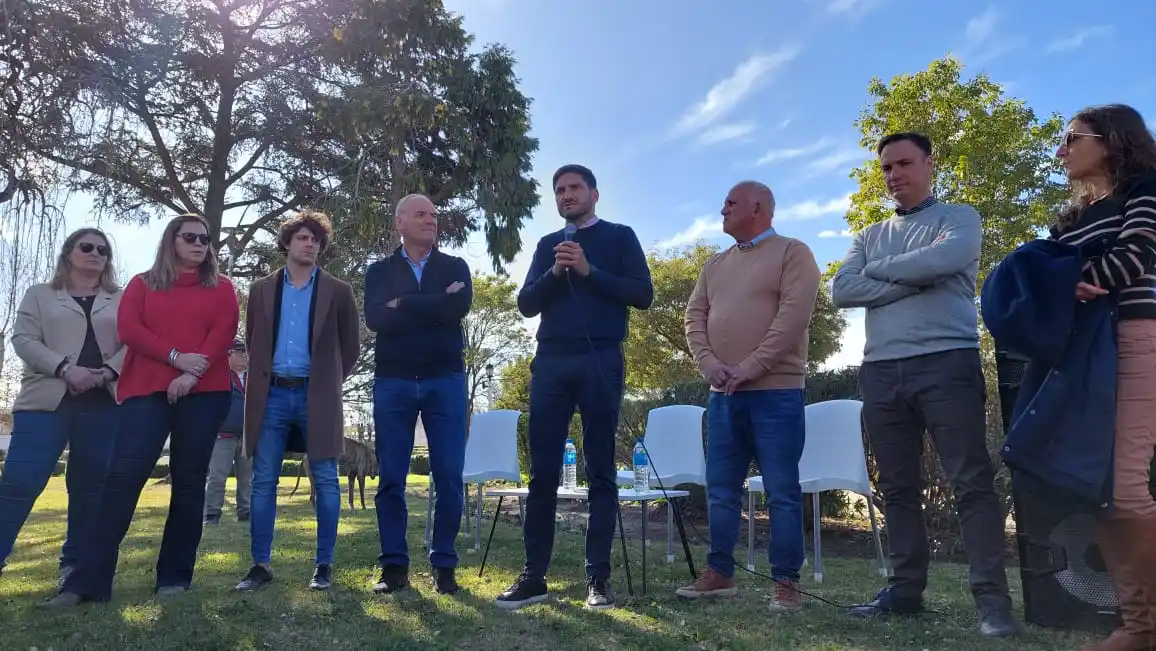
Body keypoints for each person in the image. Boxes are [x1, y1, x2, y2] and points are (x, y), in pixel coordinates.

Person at [830, 132, 1019, 637]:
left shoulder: (960, 218)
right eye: (887, 167)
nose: (894, 175)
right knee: (896, 488)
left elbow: (945, 258)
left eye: (904, 164)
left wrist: (883, 276)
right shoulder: (869, 235)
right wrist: (913, 276)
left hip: (946, 363)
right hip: (881, 369)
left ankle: (993, 603)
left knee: (971, 482)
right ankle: (905, 592)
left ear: (929, 164)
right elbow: (842, 289)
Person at [45, 214, 238, 608]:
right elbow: (131, 329)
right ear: (171, 242)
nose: (200, 244)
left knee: (188, 483)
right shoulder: (142, 284)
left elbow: (223, 332)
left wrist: (191, 372)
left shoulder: (221, 287)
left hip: (204, 392)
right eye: (190, 238)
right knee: (121, 479)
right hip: (146, 390)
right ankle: (87, 584)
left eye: (205, 239)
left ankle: (174, 578)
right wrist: (175, 358)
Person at [496, 164, 654, 611]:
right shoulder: (550, 245)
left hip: (601, 358)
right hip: (550, 362)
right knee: (542, 472)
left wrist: (589, 270)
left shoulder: (620, 237)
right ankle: (534, 577)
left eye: (574, 188)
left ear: (594, 194)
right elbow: (526, 303)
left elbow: (643, 294)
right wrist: (556, 273)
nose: (566, 195)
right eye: (560, 190)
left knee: (601, 468)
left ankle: (597, 580)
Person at [676, 181, 819, 611]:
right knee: (720, 489)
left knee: (781, 490)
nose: (722, 208)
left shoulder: (793, 253)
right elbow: (693, 317)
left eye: (731, 202)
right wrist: (708, 365)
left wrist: (750, 367)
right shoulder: (714, 265)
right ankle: (719, 573)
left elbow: (794, 316)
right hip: (723, 396)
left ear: (757, 207)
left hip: (776, 394)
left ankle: (786, 582)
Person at [1050, 104, 1156, 651]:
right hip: (1083, 353)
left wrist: (1077, 281)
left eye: (1072, 138)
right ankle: (1138, 626)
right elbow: (1047, 274)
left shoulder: (1146, 191)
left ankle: (1142, 627)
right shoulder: (1066, 220)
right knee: (1099, 487)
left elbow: (1136, 254)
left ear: (1112, 141)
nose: (1062, 150)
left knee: (1126, 485)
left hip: (1137, 338)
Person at [234, 210, 360, 593]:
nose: (310, 244)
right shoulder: (260, 290)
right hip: (270, 395)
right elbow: (255, 336)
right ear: (287, 243)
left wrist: (326, 382)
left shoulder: (338, 291)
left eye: (316, 240)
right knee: (263, 481)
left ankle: (323, 565)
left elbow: (351, 347)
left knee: (325, 479)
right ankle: (260, 564)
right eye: (303, 237)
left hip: (315, 395)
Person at [0, 228, 125, 587]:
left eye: (103, 250)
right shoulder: (40, 295)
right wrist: (64, 369)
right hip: (45, 403)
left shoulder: (121, 298)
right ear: (69, 252)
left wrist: (106, 373)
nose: (95, 253)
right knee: (19, 482)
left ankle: (75, 566)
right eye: (87, 247)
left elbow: (134, 340)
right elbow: (23, 339)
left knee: (90, 486)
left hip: (103, 403)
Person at [365, 193, 472, 595]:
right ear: (400, 222)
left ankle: (444, 564)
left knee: (448, 476)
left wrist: (405, 303)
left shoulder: (454, 266)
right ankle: (394, 567)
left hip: (445, 379)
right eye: (422, 214)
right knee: (390, 477)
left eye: (434, 214)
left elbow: (457, 308)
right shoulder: (378, 271)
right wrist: (435, 304)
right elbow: (377, 318)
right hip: (392, 382)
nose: (431, 220)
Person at [203, 339, 251, 525]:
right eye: (239, 353)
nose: (244, 357)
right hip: (223, 435)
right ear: (228, 355)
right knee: (217, 478)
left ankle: (245, 512)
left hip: (247, 436)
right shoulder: (220, 376)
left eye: (245, 353)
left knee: (247, 479)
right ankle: (212, 514)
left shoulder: (253, 377)